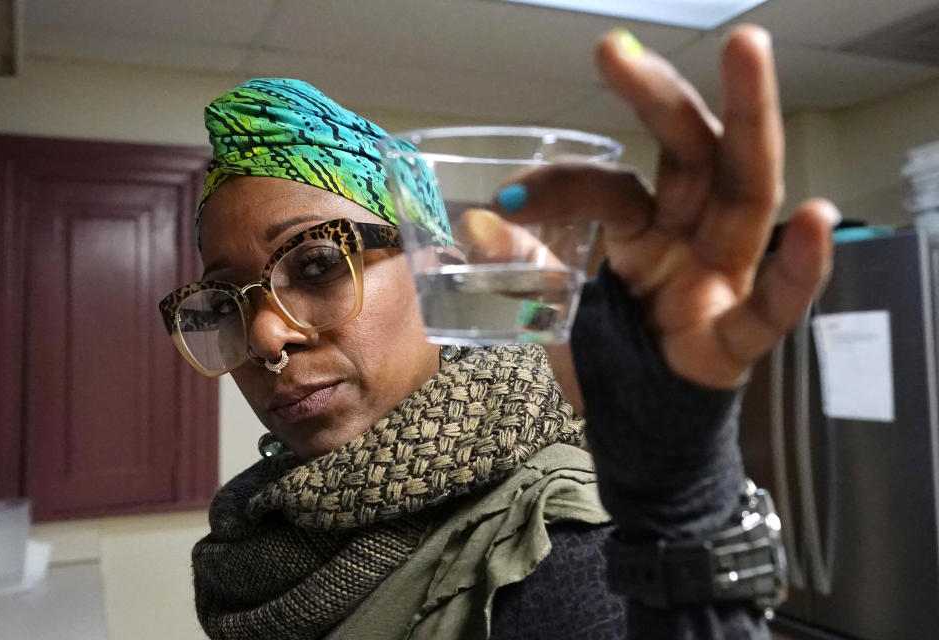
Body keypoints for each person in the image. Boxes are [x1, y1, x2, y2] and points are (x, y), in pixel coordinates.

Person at [158, 24, 836, 640]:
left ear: (437, 275)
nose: (267, 337)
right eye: (226, 302)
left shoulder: (555, 553)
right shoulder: (256, 537)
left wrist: (685, 498)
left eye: (315, 264)